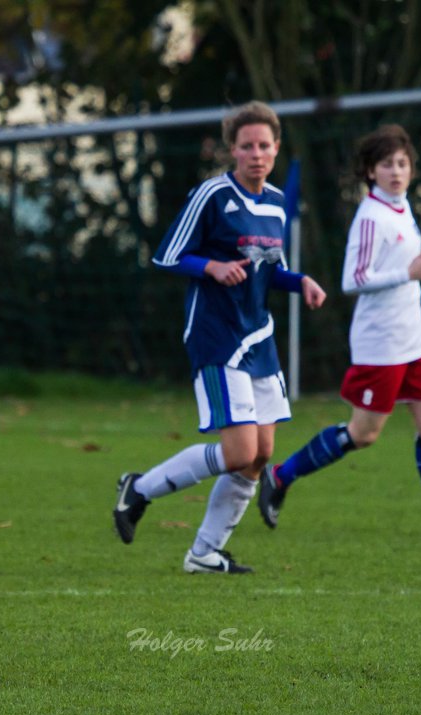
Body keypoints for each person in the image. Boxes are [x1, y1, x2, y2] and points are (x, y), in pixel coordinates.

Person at [113, 101, 328, 574]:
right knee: (240, 452)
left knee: (262, 454)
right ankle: (139, 489)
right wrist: (211, 266)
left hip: (259, 340)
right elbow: (168, 256)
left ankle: (205, 553)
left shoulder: (274, 201)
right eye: (247, 145)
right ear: (233, 149)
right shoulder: (212, 195)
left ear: (275, 149)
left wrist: (302, 282)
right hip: (216, 337)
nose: (256, 153)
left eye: (264, 145)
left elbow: (271, 270)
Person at [258, 125, 421, 536]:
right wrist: (409, 271)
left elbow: (402, 266)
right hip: (381, 342)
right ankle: (280, 475)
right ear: (370, 171)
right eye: (387, 164)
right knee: (363, 434)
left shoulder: (401, 206)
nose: (396, 171)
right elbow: (353, 279)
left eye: (403, 163)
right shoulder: (371, 216)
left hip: (414, 336)